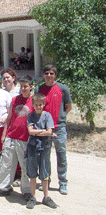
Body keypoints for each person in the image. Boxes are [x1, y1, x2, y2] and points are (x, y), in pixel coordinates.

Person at [0, 75, 34, 200]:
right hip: (11, 135)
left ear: (31, 87)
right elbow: (9, 118)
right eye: (21, 86)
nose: (23, 89)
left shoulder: (33, 101)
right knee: (6, 163)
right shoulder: (14, 100)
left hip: (25, 138)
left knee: (26, 165)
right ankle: (3, 187)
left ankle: (27, 190)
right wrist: (5, 133)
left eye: (26, 86)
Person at [35, 65, 72, 195]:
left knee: (61, 154)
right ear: (43, 75)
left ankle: (62, 182)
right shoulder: (39, 89)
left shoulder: (63, 88)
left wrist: (59, 118)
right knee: (44, 156)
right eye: (46, 73)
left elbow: (68, 106)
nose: (49, 76)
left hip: (59, 128)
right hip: (44, 128)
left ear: (55, 75)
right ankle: (46, 180)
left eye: (51, 73)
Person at [26, 93, 58, 209]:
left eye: (40, 105)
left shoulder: (47, 116)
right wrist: (44, 131)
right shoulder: (31, 116)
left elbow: (50, 132)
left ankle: (46, 196)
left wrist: (38, 131)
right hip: (33, 146)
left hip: (44, 147)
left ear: (44, 104)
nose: (38, 107)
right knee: (32, 172)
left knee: (44, 172)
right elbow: (30, 131)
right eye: (36, 105)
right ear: (33, 105)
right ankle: (33, 196)